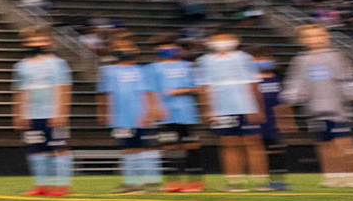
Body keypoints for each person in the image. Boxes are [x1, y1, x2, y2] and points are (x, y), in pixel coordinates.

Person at [283, 23, 353, 188]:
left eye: (319, 35)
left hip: (337, 109)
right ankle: (331, 176)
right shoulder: (300, 60)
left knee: (344, 144)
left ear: (326, 37)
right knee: (325, 145)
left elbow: (347, 79)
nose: (315, 39)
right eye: (310, 36)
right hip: (315, 110)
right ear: (303, 40)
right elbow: (296, 83)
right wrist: (290, 97)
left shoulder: (336, 57)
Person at [197, 31, 266, 192]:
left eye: (225, 39)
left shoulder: (244, 58)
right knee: (228, 144)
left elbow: (253, 84)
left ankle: (260, 181)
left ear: (235, 40)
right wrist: (207, 109)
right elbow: (205, 87)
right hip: (222, 109)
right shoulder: (205, 61)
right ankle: (234, 181)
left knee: (253, 144)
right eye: (218, 39)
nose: (222, 42)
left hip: (246, 107)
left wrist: (258, 108)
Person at [14, 27, 73, 197]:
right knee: (36, 150)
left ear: (49, 42)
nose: (36, 44)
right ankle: (41, 185)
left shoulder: (58, 64)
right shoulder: (21, 66)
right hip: (32, 114)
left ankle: (63, 185)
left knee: (59, 148)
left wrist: (62, 113)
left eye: (40, 40)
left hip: (53, 113)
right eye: (32, 41)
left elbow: (65, 89)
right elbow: (20, 91)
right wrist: (19, 114)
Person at [98, 36, 163, 192]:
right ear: (113, 50)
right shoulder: (108, 71)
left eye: (127, 46)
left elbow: (150, 92)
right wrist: (103, 113)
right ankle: (131, 182)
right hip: (121, 117)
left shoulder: (144, 70)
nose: (124, 50)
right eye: (119, 46)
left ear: (135, 49)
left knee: (147, 148)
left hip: (142, 114)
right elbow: (104, 94)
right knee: (127, 148)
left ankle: (151, 182)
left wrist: (152, 110)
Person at [149, 43, 206, 192]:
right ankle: (173, 183)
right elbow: (151, 91)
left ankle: (196, 182)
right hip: (165, 113)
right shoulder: (154, 68)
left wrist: (182, 90)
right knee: (169, 148)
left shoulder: (190, 67)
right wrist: (154, 108)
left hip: (187, 113)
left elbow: (200, 88)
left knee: (190, 147)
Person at [254, 58, 293, 191]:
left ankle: (279, 181)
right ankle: (265, 181)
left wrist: (287, 121)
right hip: (258, 121)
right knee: (262, 153)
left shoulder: (278, 80)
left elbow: (284, 102)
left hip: (275, 121)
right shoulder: (252, 81)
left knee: (277, 151)